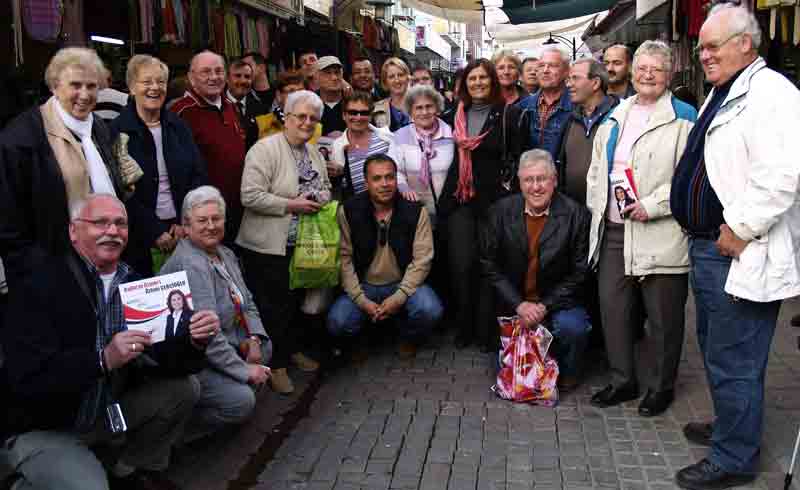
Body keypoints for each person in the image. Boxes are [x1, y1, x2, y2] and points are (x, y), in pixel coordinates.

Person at [2, 193, 220, 490]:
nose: (113, 231)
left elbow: (169, 360)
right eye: (100, 223)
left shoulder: (135, 283)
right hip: (48, 425)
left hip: (104, 413)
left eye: (121, 223)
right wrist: (102, 359)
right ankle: (30, 476)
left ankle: (128, 468)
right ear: (73, 231)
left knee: (184, 390)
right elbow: (26, 377)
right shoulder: (39, 283)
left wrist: (195, 340)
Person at [669, 5, 800, 489]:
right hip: (710, 250)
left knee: (736, 357)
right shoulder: (726, 90)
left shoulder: (773, 94)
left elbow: (783, 174)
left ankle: (735, 457)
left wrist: (740, 227)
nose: (702, 55)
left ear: (746, 42)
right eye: (701, 46)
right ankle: (732, 428)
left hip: (736, 250)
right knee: (717, 348)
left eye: (711, 46)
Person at [586, 40, 697, 417]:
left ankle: (661, 388)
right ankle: (623, 381)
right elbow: (597, 171)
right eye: (642, 68)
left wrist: (652, 205)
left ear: (669, 75)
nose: (648, 74)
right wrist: (597, 206)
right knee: (613, 310)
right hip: (615, 232)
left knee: (664, 317)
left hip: (660, 233)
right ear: (632, 73)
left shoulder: (684, 117)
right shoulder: (615, 115)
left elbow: (690, 178)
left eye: (657, 69)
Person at [0, 47, 140, 289]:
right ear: (54, 85)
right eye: (75, 85)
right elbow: (10, 221)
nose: (84, 95)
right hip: (50, 272)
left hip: (103, 265)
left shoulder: (98, 127)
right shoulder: (22, 137)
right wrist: (34, 272)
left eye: (92, 86)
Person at [237, 90, 332, 394]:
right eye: (300, 116)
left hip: (302, 244)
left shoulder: (313, 151)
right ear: (286, 118)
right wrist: (292, 205)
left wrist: (320, 197)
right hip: (266, 245)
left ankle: (290, 351)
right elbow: (249, 196)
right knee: (272, 306)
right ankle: (275, 366)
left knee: (294, 304)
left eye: (312, 119)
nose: (306, 123)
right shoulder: (264, 150)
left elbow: (326, 186)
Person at [161, 185, 273, 442]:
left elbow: (248, 303)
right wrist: (244, 371)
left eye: (216, 218)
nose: (211, 226)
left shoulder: (225, 254)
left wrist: (254, 338)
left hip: (229, 341)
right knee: (241, 402)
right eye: (202, 220)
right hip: (196, 358)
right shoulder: (191, 264)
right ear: (186, 227)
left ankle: (237, 382)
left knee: (265, 348)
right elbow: (209, 337)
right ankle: (175, 434)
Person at [482, 149, 591, 391]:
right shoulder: (500, 212)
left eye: (542, 179)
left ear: (554, 181)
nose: (536, 187)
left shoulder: (576, 215)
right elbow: (488, 264)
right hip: (514, 303)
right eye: (528, 180)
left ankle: (568, 370)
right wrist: (519, 304)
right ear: (519, 182)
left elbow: (580, 272)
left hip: (557, 303)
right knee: (510, 373)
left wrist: (544, 306)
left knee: (572, 328)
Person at [438, 58, 528, 350]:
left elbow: (519, 156)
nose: (478, 83)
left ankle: (487, 331)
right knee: (461, 266)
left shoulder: (508, 115)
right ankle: (464, 326)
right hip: (460, 201)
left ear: (492, 82)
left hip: (495, 204)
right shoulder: (453, 115)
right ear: (464, 83)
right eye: (472, 78)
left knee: (491, 267)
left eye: (483, 78)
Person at [327, 154, 442, 358]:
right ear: (366, 182)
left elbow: (422, 260)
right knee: (338, 321)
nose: (385, 184)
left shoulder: (415, 211)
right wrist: (362, 301)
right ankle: (360, 339)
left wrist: (399, 297)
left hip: (402, 283)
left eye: (390, 177)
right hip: (364, 286)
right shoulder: (350, 210)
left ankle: (408, 337)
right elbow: (343, 260)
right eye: (377, 178)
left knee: (429, 309)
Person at [111, 54, 208, 277]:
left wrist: (185, 220)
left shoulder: (178, 126)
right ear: (131, 88)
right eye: (147, 82)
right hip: (137, 239)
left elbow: (198, 174)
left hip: (182, 233)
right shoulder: (118, 131)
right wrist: (153, 230)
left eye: (161, 82)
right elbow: (120, 191)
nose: (155, 88)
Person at [171, 50, 247, 249]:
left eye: (219, 71)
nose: (214, 77)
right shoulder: (180, 112)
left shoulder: (231, 106)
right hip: (204, 218)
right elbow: (176, 171)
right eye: (205, 72)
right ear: (191, 77)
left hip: (235, 210)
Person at [388, 84, 454, 228]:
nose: (424, 112)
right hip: (416, 211)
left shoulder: (451, 134)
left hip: (449, 211)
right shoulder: (400, 136)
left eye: (429, 106)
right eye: (418, 108)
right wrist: (403, 187)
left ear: (437, 108)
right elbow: (393, 169)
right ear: (410, 111)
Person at [557, 58, 618, 205]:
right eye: (568, 79)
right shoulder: (571, 120)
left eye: (575, 78)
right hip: (574, 211)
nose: (569, 85)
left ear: (596, 83)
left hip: (607, 210)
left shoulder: (618, 117)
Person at [331, 91, 393, 198]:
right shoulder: (337, 147)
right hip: (358, 208)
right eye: (353, 112)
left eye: (364, 113)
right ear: (344, 115)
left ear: (370, 115)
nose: (358, 118)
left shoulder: (386, 138)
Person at [518, 46, 573, 159]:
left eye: (552, 66)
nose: (545, 70)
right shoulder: (522, 108)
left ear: (566, 71)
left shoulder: (578, 107)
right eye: (541, 65)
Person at [255, 70, 323, 142]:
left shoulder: (316, 127)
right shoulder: (260, 124)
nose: (297, 96)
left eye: (301, 91)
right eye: (291, 91)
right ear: (279, 95)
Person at [225, 59, 261, 149]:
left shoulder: (261, 108)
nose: (243, 81)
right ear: (227, 79)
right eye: (237, 76)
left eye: (247, 77)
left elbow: (268, 142)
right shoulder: (216, 107)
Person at [373, 58, 412, 132]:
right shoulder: (377, 109)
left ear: (407, 78)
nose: (397, 80)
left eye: (400, 75)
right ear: (385, 82)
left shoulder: (420, 106)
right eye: (391, 77)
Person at [316, 56, 348, 137]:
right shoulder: (310, 103)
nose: (334, 78)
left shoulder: (352, 102)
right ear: (317, 77)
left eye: (337, 72)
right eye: (328, 73)